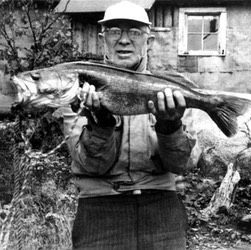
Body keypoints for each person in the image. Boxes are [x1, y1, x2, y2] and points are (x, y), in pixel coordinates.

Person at [63, 1, 195, 249]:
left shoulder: (172, 89)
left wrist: (170, 127)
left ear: (149, 40)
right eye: (114, 31)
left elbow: (182, 165)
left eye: (134, 32)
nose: (124, 40)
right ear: (103, 38)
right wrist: (100, 124)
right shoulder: (77, 88)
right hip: (100, 210)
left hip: (161, 209)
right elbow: (92, 165)